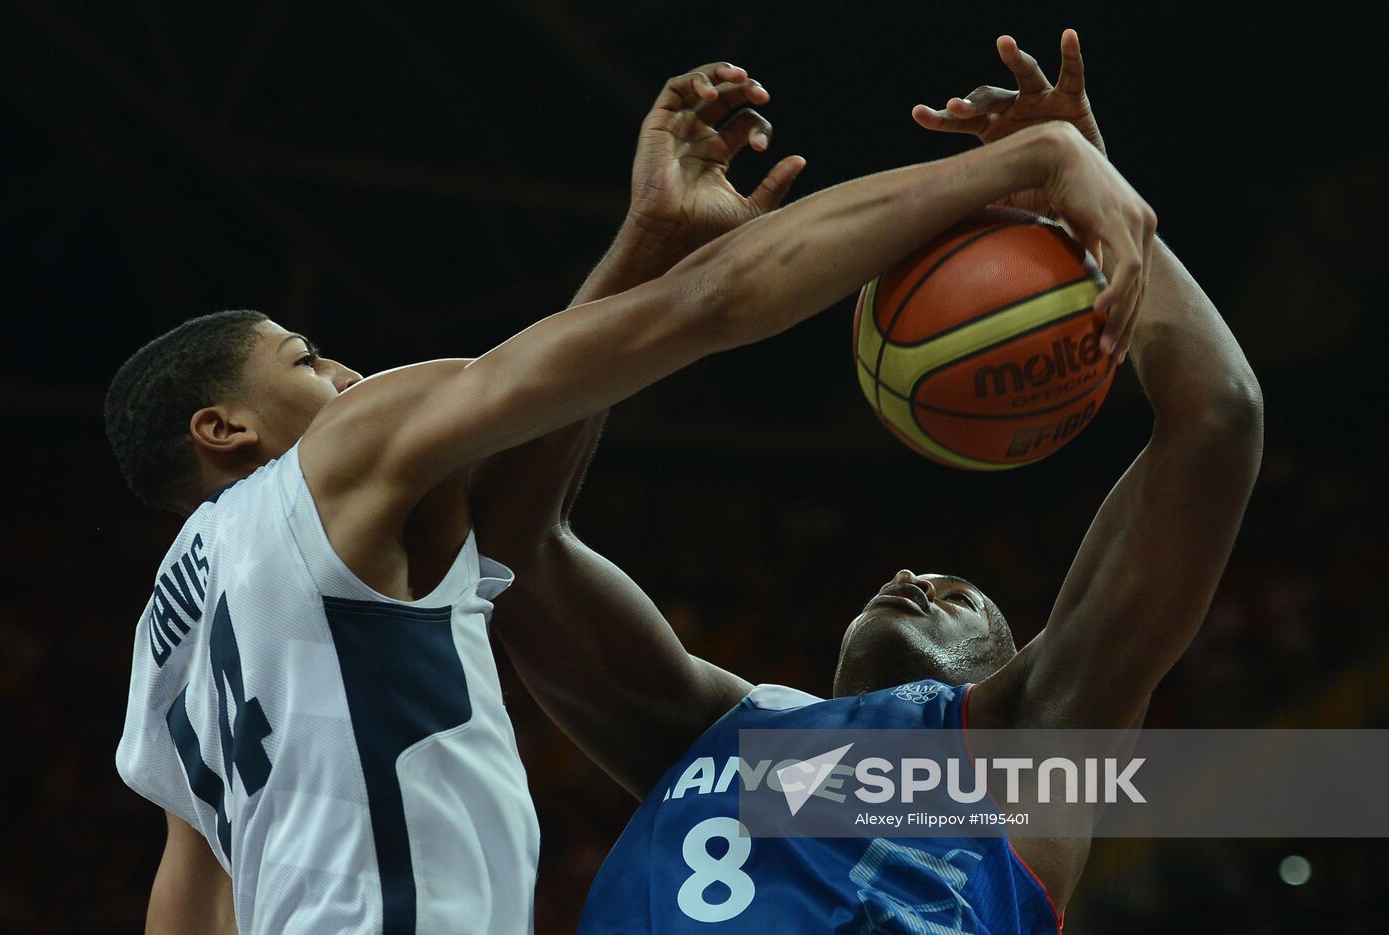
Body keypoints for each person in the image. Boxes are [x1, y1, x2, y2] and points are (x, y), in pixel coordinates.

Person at [106, 52, 1153, 935]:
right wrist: (1033, 162)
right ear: (224, 427)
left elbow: (186, 907)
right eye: (305, 360)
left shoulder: (163, 661)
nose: (340, 378)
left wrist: (648, 239)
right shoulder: (343, 454)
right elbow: (716, 305)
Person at [477, 31, 1259, 933]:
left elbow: (1219, 419)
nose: (911, 576)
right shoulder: (718, 734)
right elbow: (515, 547)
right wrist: (648, 247)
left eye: (960, 593)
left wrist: (1096, 197)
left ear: (1010, 666)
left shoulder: (1021, 745)